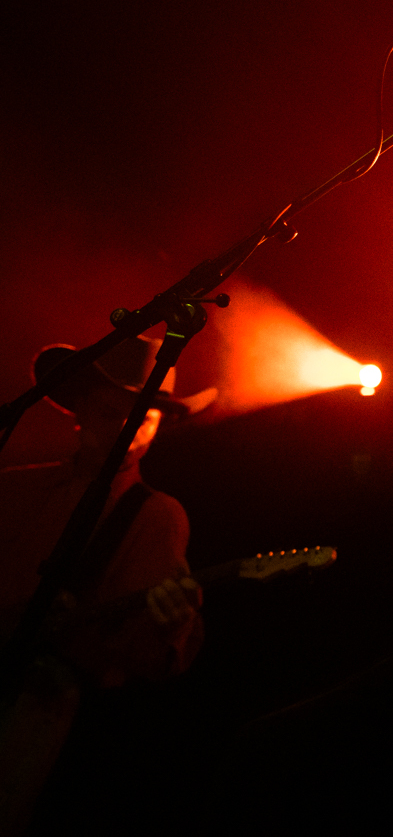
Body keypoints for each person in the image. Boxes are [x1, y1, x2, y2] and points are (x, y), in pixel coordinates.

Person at [0, 336, 212, 832]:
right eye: (110, 412)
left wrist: (171, 627)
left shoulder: (156, 515)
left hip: (31, 714)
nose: (127, 429)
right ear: (79, 411)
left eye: (145, 418)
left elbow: (154, 658)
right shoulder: (11, 486)